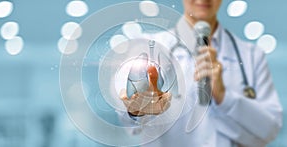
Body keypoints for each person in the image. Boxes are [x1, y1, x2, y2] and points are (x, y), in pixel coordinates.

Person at [119, 0, 283, 146]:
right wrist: (136, 110)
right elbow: (126, 118)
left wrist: (224, 96)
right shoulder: (149, 48)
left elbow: (269, 131)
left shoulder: (251, 55)